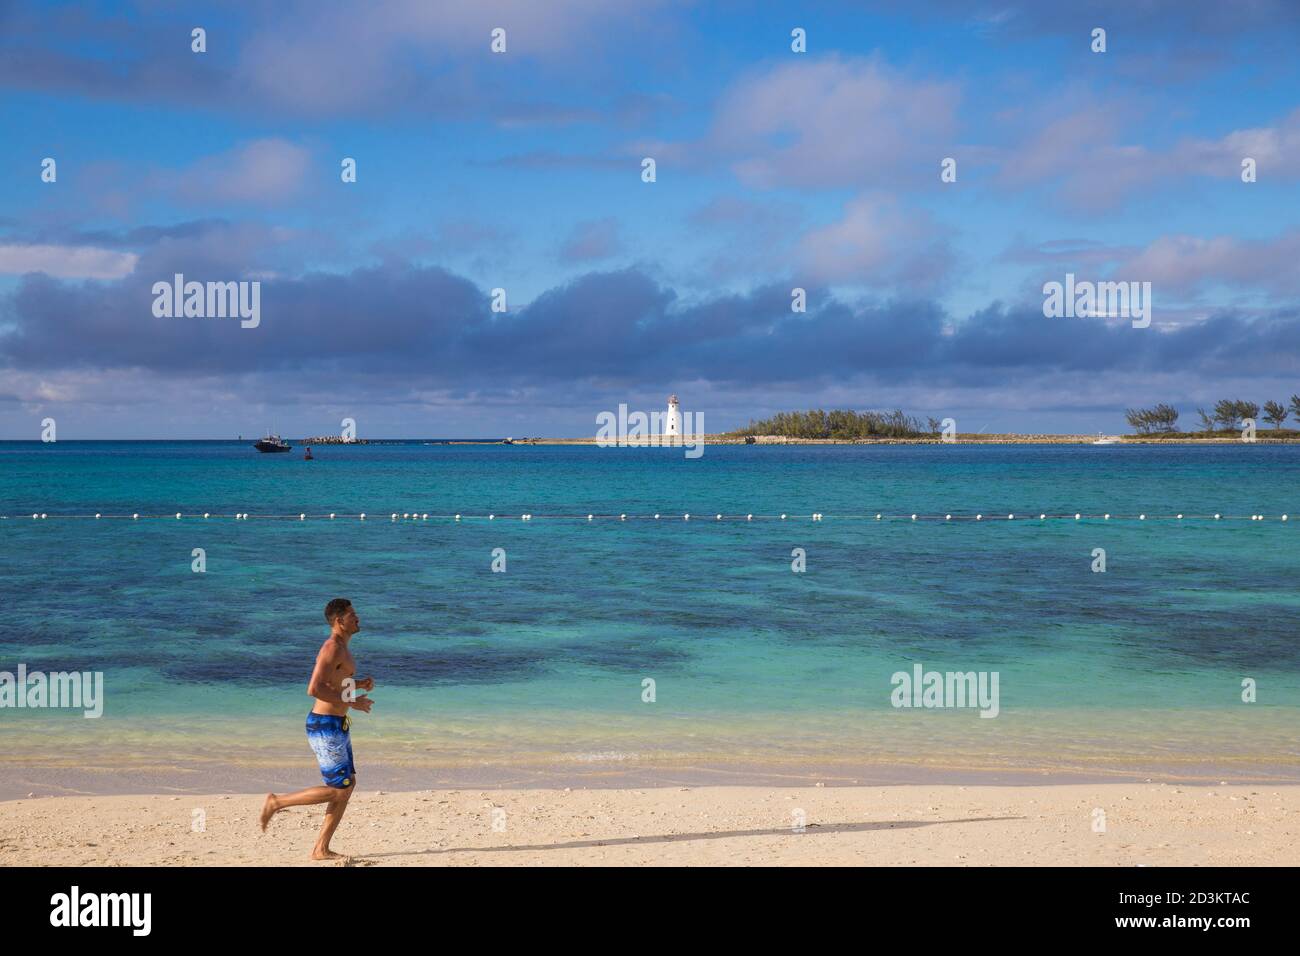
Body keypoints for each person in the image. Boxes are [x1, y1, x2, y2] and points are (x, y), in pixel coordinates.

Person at [260, 598, 374, 859]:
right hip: (325, 726)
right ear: (339, 621)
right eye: (352, 615)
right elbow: (314, 688)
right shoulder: (331, 648)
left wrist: (358, 685)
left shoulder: (343, 649)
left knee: (348, 784)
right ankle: (277, 802)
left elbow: (334, 684)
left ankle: (321, 848)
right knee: (340, 789)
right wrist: (352, 701)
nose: (358, 618)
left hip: (337, 725)